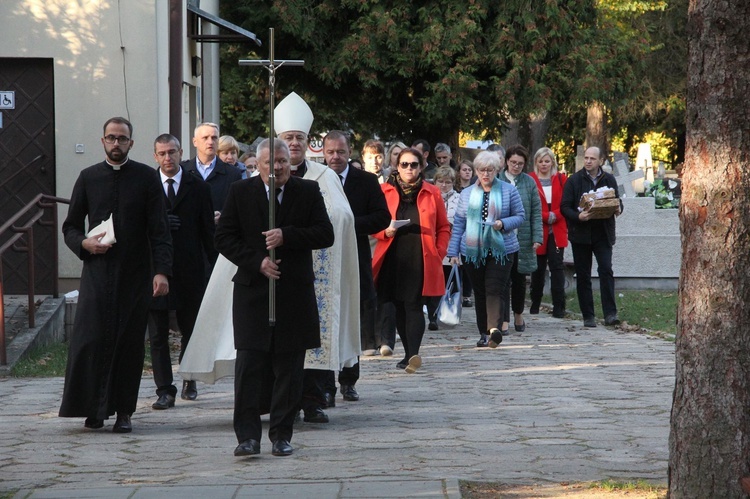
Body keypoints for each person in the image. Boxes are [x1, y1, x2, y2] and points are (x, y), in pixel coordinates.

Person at [178, 92, 360, 428]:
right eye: (287, 138)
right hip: (258, 280)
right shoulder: (247, 187)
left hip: (309, 276)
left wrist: (294, 231)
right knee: (258, 351)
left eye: (298, 139)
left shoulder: (322, 178)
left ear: (307, 144)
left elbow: (340, 220)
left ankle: (312, 401)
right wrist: (256, 258)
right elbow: (231, 235)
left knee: (303, 347)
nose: (291, 146)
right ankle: (253, 420)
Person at [217, 138, 334, 458]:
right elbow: (224, 237)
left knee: (289, 369)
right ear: (259, 164)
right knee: (250, 367)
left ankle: (282, 434)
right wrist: (257, 261)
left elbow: (325, 234)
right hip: (253, 293)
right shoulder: (241, 193)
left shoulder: (307, 191)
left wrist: (288, 235)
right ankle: (247, 437)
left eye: (283, 161)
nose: (278, 168)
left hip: (294, 293)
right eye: (271, 163)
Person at [59, 117, 172, 433]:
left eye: (123, 138)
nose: (117, 143)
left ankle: (124, 412)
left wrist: (161, 271)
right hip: (97, 274)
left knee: (129, 344)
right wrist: (83, 243)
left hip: (134, 274)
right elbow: (69, 226)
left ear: (131, 143)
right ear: (103, 141)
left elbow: (159, 230)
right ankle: (93, 410)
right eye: (111, 138)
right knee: (90, 341)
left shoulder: (147, 179)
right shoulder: (88, 177)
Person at [147, 134, 217, 409]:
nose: (167, 158)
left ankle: (189, 377)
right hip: (155, 270)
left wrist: (215, 269)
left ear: (180, 153)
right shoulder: (147, 185)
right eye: (162, 153)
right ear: (155, 156)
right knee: (157, 334)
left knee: (191, 329)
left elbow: (207, 233)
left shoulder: (197, 187)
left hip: (190, 270)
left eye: (172, 152)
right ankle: (164, 389)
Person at [372, 148, 450, 373]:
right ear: (397, 166)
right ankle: (407, 353)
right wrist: (384, 232)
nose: (409, 168)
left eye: (413, 164)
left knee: (414, 305)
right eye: (404, 164)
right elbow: (374, 223)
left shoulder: (432, 192)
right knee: (397, 306)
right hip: (392, 256)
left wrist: (439, 251)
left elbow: (444, 226)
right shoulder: (384, 190)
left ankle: (413, 354)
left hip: (421, 256)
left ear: (421, 166)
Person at [324, 131, 390, 397]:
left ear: (349, 151)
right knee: (326, 321)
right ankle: (324, 383)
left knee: (353, 318)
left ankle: (349, 379)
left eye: (341, 152)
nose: (336, 157)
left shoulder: (365, 181)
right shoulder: (315, 179)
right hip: (324, 259)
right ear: (323, 153)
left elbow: (382, 217)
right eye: (331, 152)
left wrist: (349, 224)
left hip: (355, 257)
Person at [447, 151, 524, 349]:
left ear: (497, 170)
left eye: (490, 170)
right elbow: (459, 224)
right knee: (480, 291)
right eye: (481, 170)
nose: (486, 174)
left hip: (502, 248)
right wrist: (453, 252)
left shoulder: (508, 190)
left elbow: (520, 216)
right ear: (476, 171)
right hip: (473, 249)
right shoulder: (466, 194)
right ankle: (483, 332)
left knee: (494, 288)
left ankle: (493, 330)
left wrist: (502, 223)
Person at [560, 146, 623, 328]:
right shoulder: (574, 180)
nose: (588, 161)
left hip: (603, 234)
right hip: (581, 235)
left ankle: (610, 314)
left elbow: (617, 200)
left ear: (600, 160)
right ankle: (588, 316)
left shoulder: (609, 179)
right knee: (584, 275)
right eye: (586, 158)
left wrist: (618, 208)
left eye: (592, 159)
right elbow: (565, 207)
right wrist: (578, 217)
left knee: (606, 271)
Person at [500, 145, 542, 334]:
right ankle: (503, 319)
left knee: (519, 279)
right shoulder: (497, 179)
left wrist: (537, 237)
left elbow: (535, 211)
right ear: (506, 161)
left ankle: (518, 313)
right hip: (501, 238)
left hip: (522, 239)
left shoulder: (529, 182)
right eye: (513, 163)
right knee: (502, 280)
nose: (516, 166)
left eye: (520, 164)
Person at [529, 147, 568, 318]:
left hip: (557, 228)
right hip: (539, 228)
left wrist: (556, 215)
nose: (544, 164)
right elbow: (528, 205)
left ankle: (559, 306)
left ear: (552, 161)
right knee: (537, 269)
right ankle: (535, 303)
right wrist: (545, 216)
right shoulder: (530, 179)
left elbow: (568, 202)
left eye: (547, 161)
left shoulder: (561, 179)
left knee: (557, 267)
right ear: (536, 162)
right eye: (540, 161)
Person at [180, 122, 242, 223]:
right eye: (205, 138)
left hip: (219, 234)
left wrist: (223, 216)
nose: (210, 142)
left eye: (214, 138)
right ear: (195, 142)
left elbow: (239, 206)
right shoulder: (183, 170)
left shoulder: (233, 173)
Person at [425, 166, 460, 330]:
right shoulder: (429, 196)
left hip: (451, 245)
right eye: (441, 181)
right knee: (433, 282)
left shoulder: (459, 199)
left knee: (447, 283)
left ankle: (445, 313)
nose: (444, 185)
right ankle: (432, 316)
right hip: (432, 246)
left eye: (448, 182)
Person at [454, 158, 476, 307]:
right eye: (464, 169)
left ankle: (467, 295)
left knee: (468, 266)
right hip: (458, 227)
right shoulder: (455, 189)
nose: (467, 172)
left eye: (469, 170)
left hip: (471, 231)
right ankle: (455, 293)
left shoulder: (476, 189)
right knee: (457, 265)